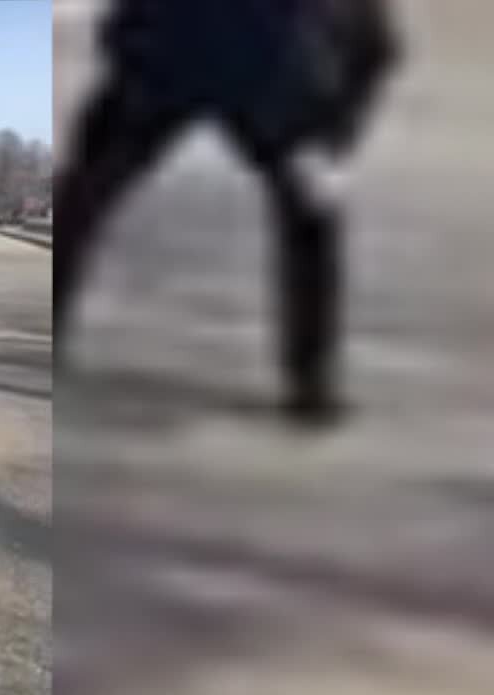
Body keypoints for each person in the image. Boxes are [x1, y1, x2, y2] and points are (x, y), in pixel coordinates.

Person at [55, 0, 401, 425]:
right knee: (311, 217)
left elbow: (375, 44)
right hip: (215, 66)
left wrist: (335, 136)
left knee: (83, 196)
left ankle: (310, 379)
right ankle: (310, 382)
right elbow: (375, 43)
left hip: (222, 67)